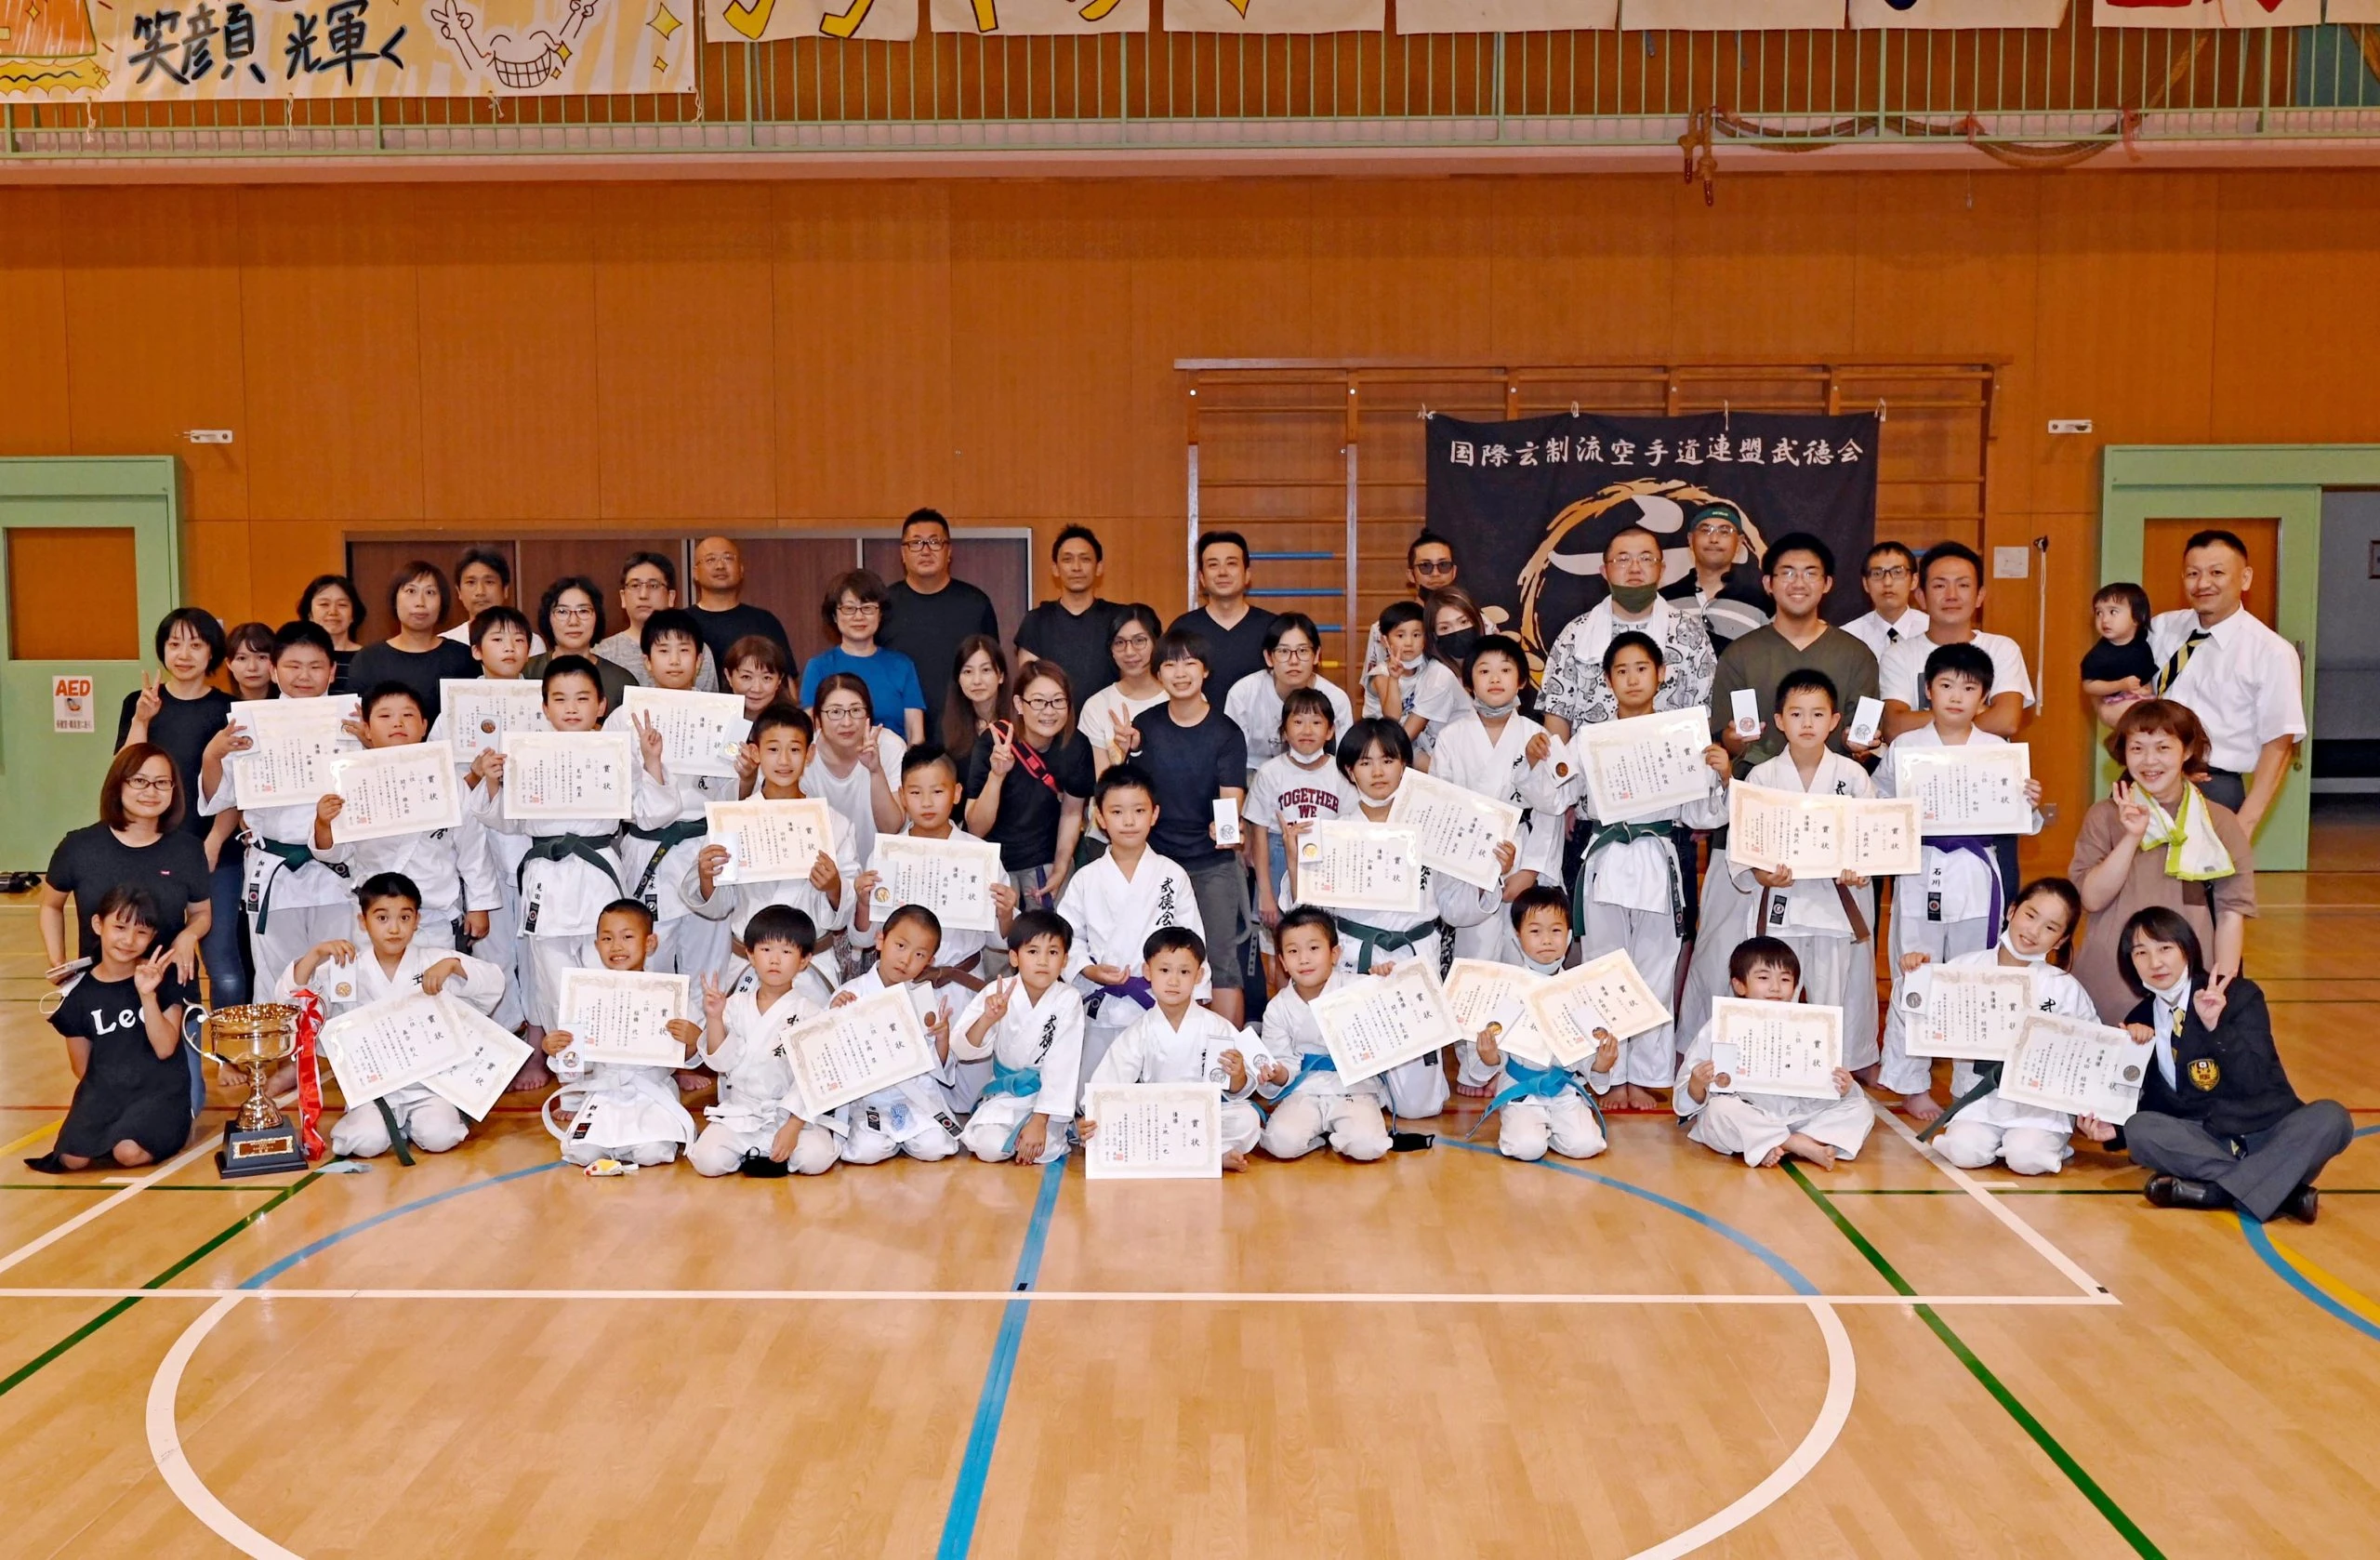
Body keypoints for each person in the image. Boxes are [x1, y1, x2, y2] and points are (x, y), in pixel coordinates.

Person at [1525, 631, 1730, 1109]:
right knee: (1602, 971)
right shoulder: (1589, 739)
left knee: (1657, 972)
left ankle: (1648, 1075)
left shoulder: (1683, 736)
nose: (1632, 678)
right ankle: (1607, 1075)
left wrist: (1720, 775)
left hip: (1660, 861)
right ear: (1607, 681)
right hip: (1606, 860)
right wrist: (1543, 763)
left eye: (1642, 668)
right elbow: (1556, 798)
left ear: (1661, 675)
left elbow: (1702, 816)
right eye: (1621, 671)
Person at [1282, 718, 1505, 1121]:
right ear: (1349, 771)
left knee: (1420, 1107)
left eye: (1388, 760)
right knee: (1350, 1076)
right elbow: (1302, 913)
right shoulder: (1333, 833)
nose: (1378, 772)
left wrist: (1488, 876)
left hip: (1413, 960)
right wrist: (1295, 854)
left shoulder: (1431, 831)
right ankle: (1361, 1093)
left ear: (1405, 765)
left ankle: (1385, 1088)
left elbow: (1455, 907)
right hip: (1353, 961)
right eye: (1365, 763)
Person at [1871, 642, 2044, 1121]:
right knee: (1917, 971)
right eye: (1946, 685)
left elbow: (2019, 821)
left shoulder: (1998, 751)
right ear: (1928, 690)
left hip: (1976, 872)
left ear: (1984, 698)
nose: (1956, 696)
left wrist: (2028, 799)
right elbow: (1879, 802)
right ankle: (1910, 1082)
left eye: (1969, 688)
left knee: (1975, 977)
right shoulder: (1906, 747)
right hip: (1920, 867)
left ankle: (1972, 1080)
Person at [477, 656, 678, 1067]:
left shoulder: (618, 753)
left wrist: (652, 761)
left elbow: (651, 814)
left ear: (601, 705)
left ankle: (611, 1070)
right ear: (544, 707)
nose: (571, 708)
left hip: (597, 874)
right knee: (554, 985)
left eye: (583, 698)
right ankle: (572, 1078)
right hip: (546, 881)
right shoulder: (525, 752)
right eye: (560, 699)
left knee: (605, 975)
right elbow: (507, 822)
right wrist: (494, 780)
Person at [2096, 907, 2349, 1223]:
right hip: (2206, 1141)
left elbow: (2254, 1080)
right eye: (2141, 953)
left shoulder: (2239, 995)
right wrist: (2114, 1128)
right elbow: (2156, 1104)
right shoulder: (2139, 1020)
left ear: (2186, 949)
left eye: (2165, 948)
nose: (2155, 963)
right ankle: (2281, 1192)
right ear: (2130, 963)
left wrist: (2216, 1027)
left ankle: (2215, 1192)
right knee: (2141, 1129)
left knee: (2332, 1118)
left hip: (2269, 1130)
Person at [284, 872, 505, 1160]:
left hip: (429, 1086)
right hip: (373, 1089)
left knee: (439, 1136)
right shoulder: (345, 968)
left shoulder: (435, 959)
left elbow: (493, 985)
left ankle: (414, 1123)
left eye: (404, 917)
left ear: (417, 921)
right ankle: (385, 1126)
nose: (394, 929)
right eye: (382, 918)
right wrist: (314, 955)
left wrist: (454, 965)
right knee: (365, 1142)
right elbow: (296, 1004)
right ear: (363, 922)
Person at [1726, 668, 1880, 1072]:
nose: (1807, 723)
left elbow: (1872, 840)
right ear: (1779, 721)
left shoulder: (1852, 776)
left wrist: (1861, 868)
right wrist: (1761, 874)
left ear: (1834, 722)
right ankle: (1770, 1070)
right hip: (1784, 904)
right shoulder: (1762, 776)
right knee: (1775, 996)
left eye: (1817, 714)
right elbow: (1745, 844)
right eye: (1796, 714)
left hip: (1835, 907)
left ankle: (1831, 1076)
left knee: (1834, 997)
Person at [2068, 699, 2255, 1026]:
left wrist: (2222, 985)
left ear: (2186, 751)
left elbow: (2230, 913)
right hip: (2111, 974)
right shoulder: (2104, 815)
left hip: (2190, 978)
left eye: (2163, 747)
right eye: (2137, 748)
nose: (2149, 761)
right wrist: (2130, 837)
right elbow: (2091, 898)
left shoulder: (2220, 823)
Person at [1902, 877, 2098, 1177]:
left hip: (2037, 1106)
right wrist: (1915, 976)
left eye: (2050, 927)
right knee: (1964, 1151)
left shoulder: (2064, 988)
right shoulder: (1964, 968)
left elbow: (2091, 1046)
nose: (2033, 931)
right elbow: (1923, 1019)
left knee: (2027, 1157)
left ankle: (2047, 1142)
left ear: (2060, 941)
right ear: (2011, 911)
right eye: (2030, 916)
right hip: (1979, 1099)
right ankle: (1994, 1141)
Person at [197, 623, 358, 986]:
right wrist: (213, 755)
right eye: (293, 666)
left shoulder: (352, 724)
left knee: (340, 979)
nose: (304, 676)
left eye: (316, 666)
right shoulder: (251, 726)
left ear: (332, 671)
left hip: (337, 875)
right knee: (276, 983)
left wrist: (372, 747)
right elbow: (221, 798)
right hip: (274, 871)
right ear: (274, 670)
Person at [1120, 629, 1250, 1024]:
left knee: (1222, 963)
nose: (1180, 672)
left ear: (1205, 671)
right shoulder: (1145, 726)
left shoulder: (1226, 732)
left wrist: (1225, 828)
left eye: (1190, 662)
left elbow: (1231, 799)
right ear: (1158, 673)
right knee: (1158, 959)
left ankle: (1229, 1072)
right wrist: (1122, 752)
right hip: (1156, 864)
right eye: (1170, 664)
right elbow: (1133, 795)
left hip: (1211, 864)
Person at [312, 684, 498, 953]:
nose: (397, 723)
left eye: (408, 716)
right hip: (375, 912)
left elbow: (472, 848)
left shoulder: (447, 778)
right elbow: (334, 853)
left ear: (424, 726)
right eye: (385, 716)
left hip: (435, 912)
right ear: (366, 728)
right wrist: (323, 823)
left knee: (435, 990)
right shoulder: (348, 780)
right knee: (377, 991)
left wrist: (479, 905)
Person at [687, 706, 860, 989]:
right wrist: (707, 877)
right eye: (772, 749)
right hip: (749, 963)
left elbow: (848, 902)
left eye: (794, 749)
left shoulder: (834, 823)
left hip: (810, 967)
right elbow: (718, 906)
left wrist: (834, 886)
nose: (783, 760)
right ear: (755, 753)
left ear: (810, 754)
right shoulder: (733, 819)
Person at [2146, 530, 2307, 834]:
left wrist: (2243, 826)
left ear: (2245, 579)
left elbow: (2279, 744)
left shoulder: (2271, 652)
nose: (2203, 583)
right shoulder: (2162, 629)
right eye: (2193, 574)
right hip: (2149, 777)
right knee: (2137, 879)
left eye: (2216, 572)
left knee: (2202, 881)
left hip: (2215, 786)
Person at [1055, 764, 1207, 1086]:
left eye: (1138, 810)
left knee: (1159, 1090)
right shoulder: (1086, 878)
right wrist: (1086, 969)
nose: (1128, 821)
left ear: (1154, 814)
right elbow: (1068, 939)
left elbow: (1191, 940)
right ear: (1100, 817)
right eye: (1117, 811)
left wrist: (1198, 990)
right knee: (1094, 1097)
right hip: (1102, 1003)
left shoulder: (1172, 875)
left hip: (1157, 1000)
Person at [117, 609, 241, 1002]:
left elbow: (238, 788)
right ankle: (176, 1059)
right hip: (154, 850)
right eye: (174, 644)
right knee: (167, 959)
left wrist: (216, 839)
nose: (183, 654)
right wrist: (142, 720)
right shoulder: (140, 703)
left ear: (212, 654)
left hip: (216, 852)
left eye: (195, 644)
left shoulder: (230, 709)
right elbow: (124, 773)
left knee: (221, 962)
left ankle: (230, 1061)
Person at [29, 887, 197, 1174]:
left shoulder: (162, 976)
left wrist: (147, 995)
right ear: (98, 925)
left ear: (152, 937)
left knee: (127, 1152)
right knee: (71, 1159)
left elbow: (166, 1047)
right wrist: (102, 1101)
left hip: (159, 1092)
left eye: (142, 932)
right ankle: (112, 1129)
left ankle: (145, 1131)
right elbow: (81, 1066)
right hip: (107, 1092)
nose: (129, 940)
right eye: (119, 927)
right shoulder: (78, 993)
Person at [609, 610, 737, 984]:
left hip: (706, 846)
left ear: (700, 660)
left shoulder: (724, 717)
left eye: (685, 650)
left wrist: (745, 776)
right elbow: (626, 800)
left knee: (710, 968)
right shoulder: (623, 718)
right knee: (651, 965)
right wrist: (653, 765)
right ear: (647, 660)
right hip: (649, 848)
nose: (676, 659)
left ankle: (703, 1039)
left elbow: (731, 798)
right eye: (664, 651)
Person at [1082, 927, 1276, 1171]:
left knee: (1247, 1120)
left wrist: (1238, 1075)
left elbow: (1239, 1089)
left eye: (1184, 972)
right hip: (1155, 1118)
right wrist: (1093, 1117)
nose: (1173, 981)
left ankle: (1182, 1155)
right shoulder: (1139, 1032)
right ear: (1147, 972)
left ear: (1199, 975)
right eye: (1164, 970)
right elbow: (1108, 1081)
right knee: (1103, 1131)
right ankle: (1210, 1156)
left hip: (1198, 1119)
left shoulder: (1216, 1026)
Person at [1676, 938, 1872, 1170]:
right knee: (1718, 1113)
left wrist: (1845, 1086)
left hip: (1800, 1116)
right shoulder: (1720, 1024)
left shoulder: (1811, 1025)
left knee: (1861, 1109)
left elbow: (1832, 1088)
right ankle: (1797, 1144)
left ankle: (1779, 1142)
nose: (1775, 987)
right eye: (1763, 978)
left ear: (1796, 986)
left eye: (1785, 979)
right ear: (1739, 985)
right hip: (1750, 1115)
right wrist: (1697, 1082)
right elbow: (1687, 1101)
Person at [1430, 635, 1562, 969]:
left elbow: (1552, 810)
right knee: (1477, 964)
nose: (1495, 678)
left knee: (1527, 960)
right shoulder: (1451, 738)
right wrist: (1474, 872)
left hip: (1523, 855)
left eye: (1505, 669)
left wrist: (1530, 871)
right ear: (1469, 683)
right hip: (1471, 864)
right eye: (1484, 670)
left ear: (1521, 680)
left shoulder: (1537, 737)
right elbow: (1441, 811)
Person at [537, 900, 702, 1168]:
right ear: (596, 945)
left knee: (653, 1153)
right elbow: (578, 1063)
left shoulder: (670, 993)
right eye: (607, 938)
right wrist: (557, 1048)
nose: (616, 946)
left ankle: (630, 1145)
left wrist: (694, 1041)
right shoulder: (587, 995)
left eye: (627, 937)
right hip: (605, 1094)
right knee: (581, 1154)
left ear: (649, 943)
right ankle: (612, 1145)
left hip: (651, 1093)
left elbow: (692, 1055)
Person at [804, 905, 966, 1169]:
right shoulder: (849, 994)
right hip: (868, 1099)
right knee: (868, 1151)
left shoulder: (930, 1000)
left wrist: (942, 1039)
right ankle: (886, 1137)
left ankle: (909, 1136)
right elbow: (826, 1057)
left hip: (914, 1098)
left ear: (930, 961)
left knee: (934, 1147)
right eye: (900, 946)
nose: (906, 960)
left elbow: (939, 1069)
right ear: (881, 939)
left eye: (919, 954)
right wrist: (834, 1018)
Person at [1706, 533, 1879, 775]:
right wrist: (1733, 740)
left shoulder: (1856, 655)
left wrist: (1860, 746)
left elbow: (1861, 742)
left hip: (1833, 794)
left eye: (1810, 573)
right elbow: (1724, 739)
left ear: (1827, 583)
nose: (1799, 583)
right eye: (1787, 573)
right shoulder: (1739, 655)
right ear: (1768, 583)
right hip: (1758, 793)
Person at [1468, 887, 1620, 1162]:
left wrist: (1601, 1064)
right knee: (1527, 1148)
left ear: (1570, 936)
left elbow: (1588, 1056)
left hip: (1564, 1090)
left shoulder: (1579, 990)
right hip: (1521, 1090)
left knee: (1587, 1145)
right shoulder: (1506, 989)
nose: (1547, 940)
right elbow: (1489, 1060)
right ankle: (1532, 1128)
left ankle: (1555, 1127)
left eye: (1556, 931)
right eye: (1535, 931)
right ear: (1517, 937)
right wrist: (1490, 1058)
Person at [41, 745, 211, 985]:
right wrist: (57, 961)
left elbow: (201, 913)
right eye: (139, 781)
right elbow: (51, 906)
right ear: (118, 784)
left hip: (168, 989)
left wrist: (188, 935)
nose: (151, 792)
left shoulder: (189, 850)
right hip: (100, 991)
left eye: (162, 782)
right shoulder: (78, 846)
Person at [853, 745, 1017, 988]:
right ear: (903, 796)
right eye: (916, 793)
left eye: (938, 791)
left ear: (957, 793)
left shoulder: (979, 856)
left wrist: (1005, 913)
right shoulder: (885, 853)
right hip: (900, 985)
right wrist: (864, 903)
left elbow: (1000, 942)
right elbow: (865, 938)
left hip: (962, 983)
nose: (927, 803)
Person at [1540, 524, 1718, 738]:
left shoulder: (1690, 633)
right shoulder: (1575, 634)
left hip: (1669, 762)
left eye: (1646, 559)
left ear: (1661, 569)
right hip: (1590, 765)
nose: (1635, 568)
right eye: (1623, 560)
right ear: (1604, 571)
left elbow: (1705, 713)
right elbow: (1557, 714)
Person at [686, 906, 821, 1177]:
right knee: (706, 1160)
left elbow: (813, 1078)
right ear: (749, 954)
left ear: (804, 960)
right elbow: (720, 1062)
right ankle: (759, 1152)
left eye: (786, 951)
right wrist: (713, 1017)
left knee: (815, 1159)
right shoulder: (734, 1005)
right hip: (742, 1112)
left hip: (789, 1113)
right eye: (766, 949)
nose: (775, 960)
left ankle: (768, 1149)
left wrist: (793, 1127)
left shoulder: (810, 1012)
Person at [1254, 907, 1394, 1164]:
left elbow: (1390, 1024)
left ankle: (1341, 1133)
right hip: (1305, 1090)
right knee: (1280, 1142)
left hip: (1354, 1088)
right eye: (1293, 952)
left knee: (1368, 1146)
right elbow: (1281, 1061)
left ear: (1335, 954)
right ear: (1283, 962)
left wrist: (1386, 982)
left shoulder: (1357, 987)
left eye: (1314, 949)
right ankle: (1321, 1137)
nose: (1304, 959)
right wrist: (1278, 1073)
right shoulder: (1278, 1007)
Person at [952, 911, 1086, 1166]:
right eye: (1033, 952)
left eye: (1053, 953)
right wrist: (988, 1019)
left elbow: (1062, 1066)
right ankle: (1021, 1136)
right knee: (988, 1147)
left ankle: (1043, 1130)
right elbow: (963, 1049)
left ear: (1065, 959)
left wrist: (1039, 1120)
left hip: (1045, 1098)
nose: (1043, 961)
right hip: (1006, 1094)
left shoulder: (1068, 999)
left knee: (1043, 1151)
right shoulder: (997, 992)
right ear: (1014, 957)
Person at [1244, 688, 1359, 979]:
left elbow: (1351, 828)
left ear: (1331, 730)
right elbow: (1258, 833)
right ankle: (1285, 1013)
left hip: (1326, 862)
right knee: (1286, 949)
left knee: (1323, 944)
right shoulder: (1270, 772)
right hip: (1278, 856)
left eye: (1317, 722)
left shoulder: (1341, 773)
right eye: (1297, 722)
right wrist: (1266, 893)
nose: (1307, 730)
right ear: (1283, 731)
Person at [964, 664, 1092, 912]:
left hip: (1045, 860)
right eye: (1038, 701)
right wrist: (996, 775)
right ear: (1020, 704)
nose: (1049, 711)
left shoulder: (1076, 746)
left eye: (1058, 701)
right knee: (998, 946)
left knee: (1051, 939)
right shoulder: (994, 742)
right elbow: (976, 827)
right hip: (995, 865)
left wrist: (1061, 867)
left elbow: (1072, 811)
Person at [1879, 542, 2035, 742]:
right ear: (1921, 597)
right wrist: (1977, 712)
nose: (1951, 596)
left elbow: (2006, 721)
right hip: (1921, 770)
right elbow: (1895, 727)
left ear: (1979, 596)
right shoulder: (1898, 654)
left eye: (1963, 585)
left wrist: (1926, 722)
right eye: (1939, 586)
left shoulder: (2002, 649)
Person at [880, 509, 999, 715]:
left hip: (964, 732)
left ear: (949, 551)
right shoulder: (883, 605)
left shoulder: (976, 604)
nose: (926, 551)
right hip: (897, 734)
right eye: (916, 543)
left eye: (935, 542)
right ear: (903, 553)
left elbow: (993, 672)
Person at [801, 569, 929, 745]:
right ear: (834, 616)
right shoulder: (819, 667)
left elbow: (915, 734)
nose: (859, 616)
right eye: (849, 609)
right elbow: (810, 732)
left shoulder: (902, 665)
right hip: (835, 767)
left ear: (880, 614)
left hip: (893, 766)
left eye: (867, 608)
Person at [346, 562, 479, 726]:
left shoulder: (463, 658)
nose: (420, 602)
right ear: (394, 599)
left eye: (430, 592)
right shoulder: (368, 659)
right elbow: (354, 719)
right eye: (411, 591)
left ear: (442, 603)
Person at [1223, 613, 1353, 776]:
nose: (1294, 661)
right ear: (1269, 657)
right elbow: (1229, 759)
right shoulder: (1243, 693)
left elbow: (1344, 762)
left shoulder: (1336, 700)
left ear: (1316, 655)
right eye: (1283, 651)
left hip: (1315, 778)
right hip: (1253, 776)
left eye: (1303, 650)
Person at [1014, 524, 1123, 702]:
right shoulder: (1036, 621)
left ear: (1099, 567)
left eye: (1085, 559)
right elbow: (1029, 686)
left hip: (1110, 725)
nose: (1076, 567)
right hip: (1052, 724)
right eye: (1067, 560)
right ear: (1055, 569)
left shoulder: (1119, 619)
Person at [805, 674, 906, 864]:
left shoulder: (890, 746)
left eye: (856, 710)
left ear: (869, 715)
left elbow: (891, 828)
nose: (847, 722)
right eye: (835, 712)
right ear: (817, 717)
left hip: (881, 869)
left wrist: (876, 770)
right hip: (823, 871)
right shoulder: (804, 750)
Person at [1169, 531, 1277, 695]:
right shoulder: (1182, 629)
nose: (1222, 572)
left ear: (1247, 574)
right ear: (1202, 578)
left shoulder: (1273, 628)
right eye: (1213, 565)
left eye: (1231, 563)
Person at [593, 551, 717, 692]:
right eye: (635, 586)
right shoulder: (602, 653)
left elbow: (709, 706)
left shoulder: (697, 650)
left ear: (671, 597)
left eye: (653, 586)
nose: (643, 595)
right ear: (623, 597)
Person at [1363, 601, 1466, 757]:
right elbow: (1392, 717)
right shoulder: (1381, 675)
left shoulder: (1434, 671)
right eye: (1400, 635)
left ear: (1426, 637)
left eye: (1416, 635)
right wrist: (1393, 679)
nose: (1409, 643)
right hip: (1381, 741)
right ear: (1385, 641)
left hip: (1411, 742)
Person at [1661, 507, 1772, 650]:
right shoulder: (1664, 600)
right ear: (1690, 539)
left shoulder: (1761, 604)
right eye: (1706, 530)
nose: (1714, 539)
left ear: (1739, 542)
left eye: (1725, 532)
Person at [1078, 604, 1167, 777]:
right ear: (1111, 650)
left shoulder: (1180, 699)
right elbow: (1102, 784)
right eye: (1119, 642)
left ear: (1156, 642)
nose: (1129, 652)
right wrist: (1124, 754)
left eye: (1139, 640)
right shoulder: (1097, 705)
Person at [1360, 532, 1461, 682]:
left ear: (1454, 572)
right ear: (1411, 575)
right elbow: (1374, 687)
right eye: (1425, 566)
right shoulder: (1384, 628)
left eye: (1443, 565)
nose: (1435, 574)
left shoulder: (1476, 622)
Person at [526, 575, 635, 712]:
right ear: (548, 618)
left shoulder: (620, 681)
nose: (573, 621)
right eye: (562, 612)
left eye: (583, 611)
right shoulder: (527, 672)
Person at [688, 535, 794, 669]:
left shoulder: (765, 621)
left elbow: (785, 682)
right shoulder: (680, 622)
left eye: (728, 558)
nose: (720, 566)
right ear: (695, 573)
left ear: (741, 569)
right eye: (710, 560)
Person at [442, 548, 546, 656]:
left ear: (505, 590)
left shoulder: (530, 643)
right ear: (459, 592)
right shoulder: (445, 643)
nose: (480, 591)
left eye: (489, 582)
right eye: (471, 582)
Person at [2081, 582, 2157, 727]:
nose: (2104, 620)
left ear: (2137, 617)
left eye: (2113, 612)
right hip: (2116, 703)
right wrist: (2120, 685)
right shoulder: (2098, 655)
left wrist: (2146, 689)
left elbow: (2147, 673)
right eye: (2099, 613)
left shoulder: (2143, 644)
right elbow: (2089, 686)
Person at [1842, 541, 1929, 659]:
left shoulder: (1932, 630)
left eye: (1897, 572)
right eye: (1877, 574)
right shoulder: (1848, 637)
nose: (1887, 582)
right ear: (1865, 584)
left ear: (1914, 580)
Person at [943, 635, 1014, 760]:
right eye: (968, 672)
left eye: (986, 670)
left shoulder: (1018, 719)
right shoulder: (947, 725)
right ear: (958, 679)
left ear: (1001, 676)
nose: (977, 681)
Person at [298, 574, 365, 693]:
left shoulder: (369, 658)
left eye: (342, 605)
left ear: (353, 614)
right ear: (309, 614)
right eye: (324, 604)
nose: (333, 612)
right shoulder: (296, 658)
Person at [722, 635, 791, 724]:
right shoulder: (712, 717)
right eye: (746, 677)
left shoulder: (792, 725)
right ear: (729, 676)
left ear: (779, 680)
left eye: (767, 678)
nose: (756, 689)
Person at [224, 620, 279, 705]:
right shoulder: (220, 708)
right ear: (229, 663)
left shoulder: (291, 705)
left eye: (262, 657)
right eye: (242, 658)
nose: (252, 667)